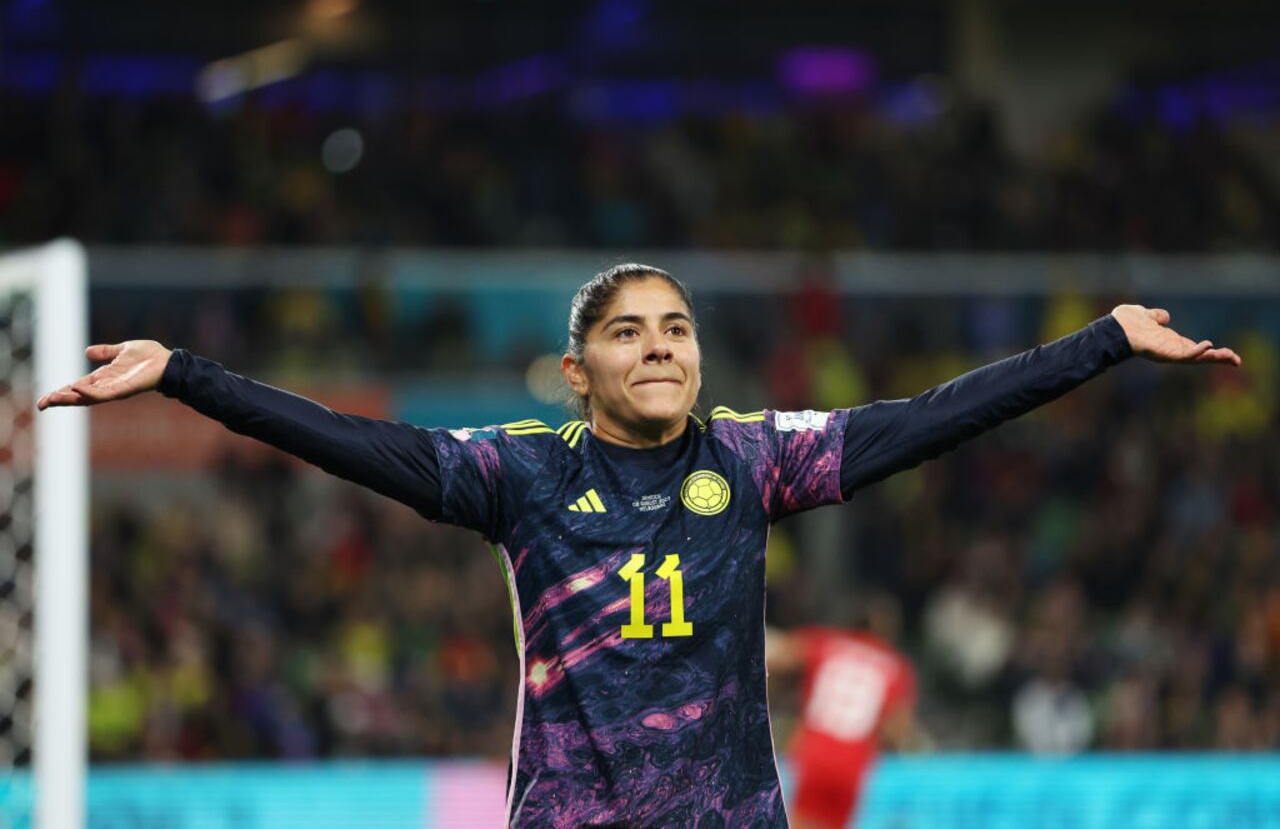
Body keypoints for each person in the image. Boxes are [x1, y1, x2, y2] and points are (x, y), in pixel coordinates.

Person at [38, 263, 1240, 827]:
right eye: (626, 331)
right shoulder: (521, 473)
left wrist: (1100, 342)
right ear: (577, 371)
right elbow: (349, 439)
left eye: (675, 327)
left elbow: (928, 416)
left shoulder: (754, 458)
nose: (659, 346)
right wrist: (186, 375)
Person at [766, 593, 918, 829]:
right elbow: (896, 730)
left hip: (814, 751)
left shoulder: (825, 642)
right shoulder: (896, 667)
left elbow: (779, 657)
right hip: (853, 761)